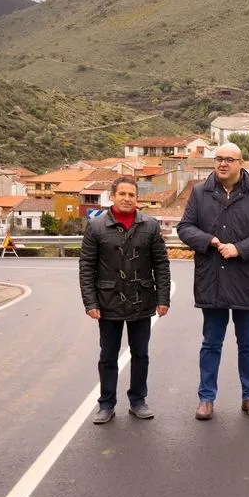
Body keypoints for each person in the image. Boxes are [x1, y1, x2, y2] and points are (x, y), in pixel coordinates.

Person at [177, 143, 249, 420]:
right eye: (219, 158)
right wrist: (209, 240)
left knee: (248, 343)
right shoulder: (200, 192)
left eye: (229, 159)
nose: (223, 164)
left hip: (246, 279)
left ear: (241, 163)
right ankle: (206, 398)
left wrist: (239, 249)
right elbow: (184, 228)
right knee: (211, 343)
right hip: (213, 279)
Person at [79, 176, 171, 425]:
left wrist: (163, 298)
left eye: (132, 195)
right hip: (108, 301)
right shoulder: (96, 227)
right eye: (122, 194)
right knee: (108, 356)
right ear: (113, 196)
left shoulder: (150, 225)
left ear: (137, 198)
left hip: (142, 299)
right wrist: (90, 303)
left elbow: (161, 264)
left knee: (141, 354)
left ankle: (138, 401)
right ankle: (106, 404)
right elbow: (86, 267)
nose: (127, 199)